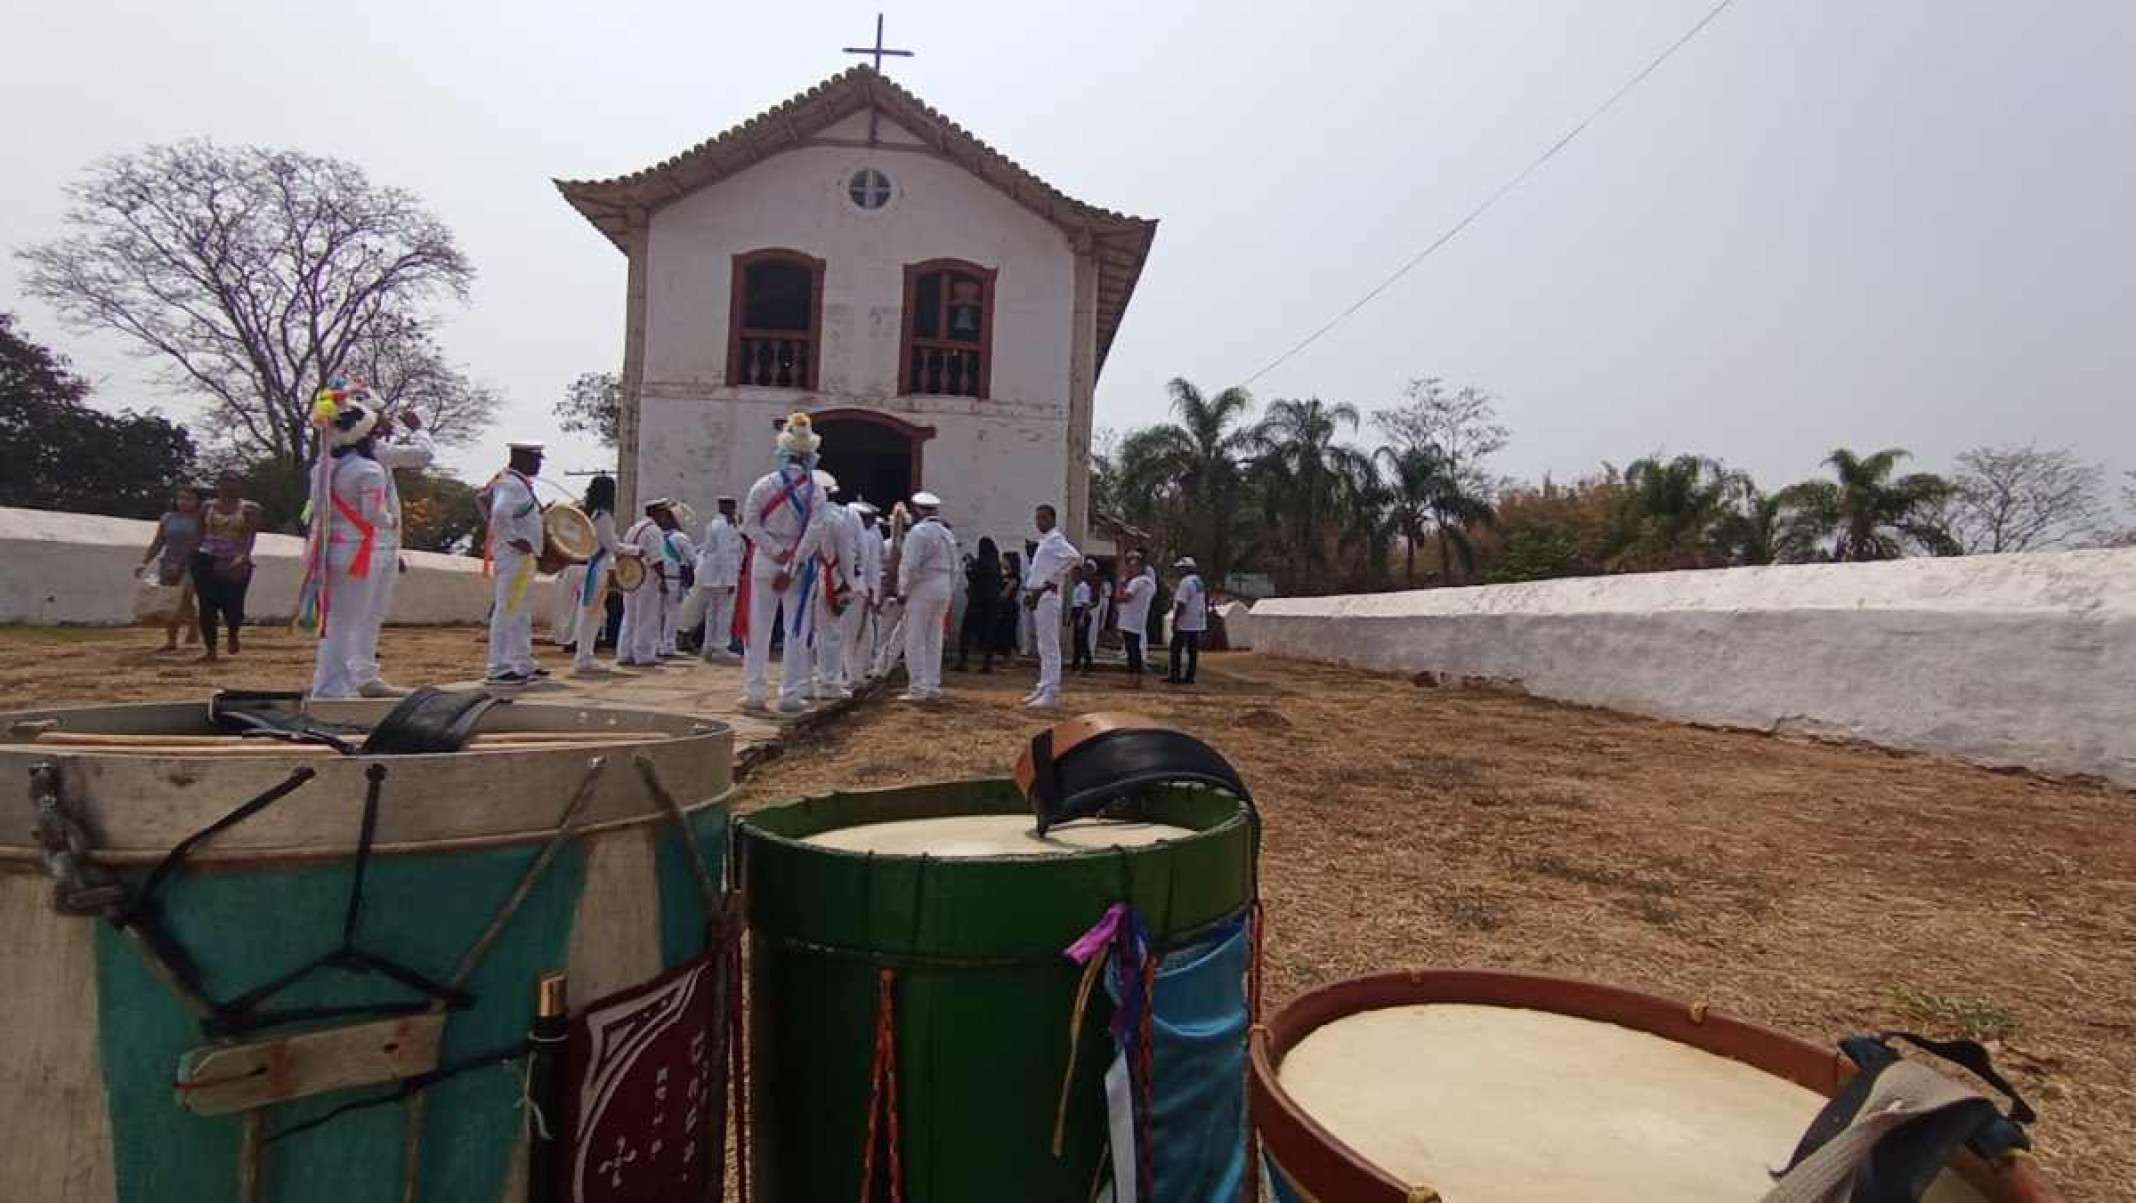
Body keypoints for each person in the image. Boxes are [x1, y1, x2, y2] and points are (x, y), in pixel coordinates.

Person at [739, 414, 829, 713]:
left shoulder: (763, 484)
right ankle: (789, 693)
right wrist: (792, 563)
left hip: (766, 558)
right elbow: (815, 530)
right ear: (807, 456)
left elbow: (750, 525)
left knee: (759, 627)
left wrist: (776, 552)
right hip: (798, 563)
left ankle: (754, 692)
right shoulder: (814, 490)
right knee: (795, 630)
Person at [308, 398, 396, 698]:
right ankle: (335, 686)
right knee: (350, 621)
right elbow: (374, 515)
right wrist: (391, 520)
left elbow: (317, 509)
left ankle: (330, 682)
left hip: (329, 547)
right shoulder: (369, 470)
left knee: (335, 620)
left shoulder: (321, 468)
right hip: (359, 551)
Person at [347, 408, 435, 696]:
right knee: (358, 613)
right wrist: (419, 427)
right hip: (363, 545)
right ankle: (350, 676)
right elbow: (423, 455)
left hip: (381, 545)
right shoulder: (370, 455)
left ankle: (363, 673)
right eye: (379, 418)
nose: (387, 423)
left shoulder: (375, 454)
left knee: (373, 613)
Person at [484, 442, 547, 685]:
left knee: (520, 611)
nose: (539, 465)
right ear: (522, 460)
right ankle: (498, 665)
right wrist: (512, 539)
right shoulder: (511, 484)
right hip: (514, 556)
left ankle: (522, 661)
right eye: (536, 460)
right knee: (508, 608)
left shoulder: (517, 483)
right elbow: (500, 513)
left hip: (521, 558)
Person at [192, 471, 262, 663]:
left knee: (234, 606)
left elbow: (250, 536)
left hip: (234, 560)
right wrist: (191, 556)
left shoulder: (249, 509)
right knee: (207, 606)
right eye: (224, 481)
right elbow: (199, 533)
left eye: (233, 481)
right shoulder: (207, 507)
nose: (228, 485)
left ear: (241, 485)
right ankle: (211, 648)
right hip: (206, 558)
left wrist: (243, 556)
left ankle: (233, 631)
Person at [896, 491, 956, 702]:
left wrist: (903, 590)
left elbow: (910, 566)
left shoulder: (918, 532)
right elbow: (955, 567)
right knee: (934, 638)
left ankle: (917, 688)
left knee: (915, 638)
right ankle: (932, 685)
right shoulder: (946, 533)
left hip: (923, 586)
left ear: (918, 509)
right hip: (943, 585)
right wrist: (950, 589)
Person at [1021, 504, 1081, 709]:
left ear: (1053, 519)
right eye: (1037, 518)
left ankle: (1052, 691)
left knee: (1050, 645)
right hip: (1038, 595)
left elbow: (1074, 557)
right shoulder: (1045, 541)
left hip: (1047, 595)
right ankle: (1044, 685)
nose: (1040, 522)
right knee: (1042, 644)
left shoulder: (1056, 540)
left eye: (1044, 518)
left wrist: (1051, 581)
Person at [809, 470, 860, 700]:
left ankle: (805, 681)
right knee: (830, 632)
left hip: (807, 577)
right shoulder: (836, 518)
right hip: (830, 577)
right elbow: (846, 555)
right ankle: (829, 682)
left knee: (803, 633)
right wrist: (850, 583)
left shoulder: (804, 516)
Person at [569, 474, 625, 676]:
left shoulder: (592, 513)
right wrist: (634, 550)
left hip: (593, 564)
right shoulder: (603, 516)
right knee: (592, 614)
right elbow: (612, 544)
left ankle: (585, 654)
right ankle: (584, 657)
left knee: (592, 613)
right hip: (598, 565)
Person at [139, 485, 202, 651]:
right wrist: (144, 562)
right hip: (169, 562)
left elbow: (198, 543)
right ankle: (171, 639)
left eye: (188, 499)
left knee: (185, 596)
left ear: (197, 501)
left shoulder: (200, 519)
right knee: (170, 600)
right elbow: (158, 542)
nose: (183, 502)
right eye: (180, 498)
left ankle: (193, 626)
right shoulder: (167, 518)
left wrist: (182, 563)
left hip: (192, 563)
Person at [684, 496, 745, 664]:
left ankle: (709, 645)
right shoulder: (723, 526)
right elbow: (724, 555)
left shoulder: (719, 524)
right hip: (722, 577)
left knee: (712, 612)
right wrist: (730, 580)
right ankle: (720, 647)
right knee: (724, 612)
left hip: (712, 576)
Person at [618, 499, 678, 667]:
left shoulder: (634, 528)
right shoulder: (653, 531)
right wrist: (663, 580)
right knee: (647, 617)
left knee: (630, 616)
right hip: (647, 578)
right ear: (657, 513)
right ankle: (644, 654)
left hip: (631, 577)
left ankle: (625, 652)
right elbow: (657, 559)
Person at [842, 500, 882, 680]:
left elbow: (871, 566)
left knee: (850, 634)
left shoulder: (864, 538)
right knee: (864, 632)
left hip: (855, 589)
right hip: (864, 589)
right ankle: (859, 670)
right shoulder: (872, 537)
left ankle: (852, 674)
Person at [955, 537, 1002, 672]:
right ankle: (987, 663)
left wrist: (969, 565)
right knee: (989, 633)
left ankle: (963, 661)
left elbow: (973, 576)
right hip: (992, 603)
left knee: (966, 632)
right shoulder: (995, 564)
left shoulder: (980, 564)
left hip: (976, 602)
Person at [1114, 550, 1157, 690]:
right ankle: (1136, 679)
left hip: (1129, 620)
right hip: (1138, 620)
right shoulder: (1149, 583)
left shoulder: (1136, 582)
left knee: (1132, 651)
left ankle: (1133, 679)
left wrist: (1120, 585)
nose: (1129, 569)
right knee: (1135, 650)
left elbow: (1124, 598)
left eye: (1132, 566)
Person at [656, 511, 694, 658]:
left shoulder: (656, 535)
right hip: (674, 579)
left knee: (657, 615)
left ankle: (657, 644)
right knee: (672, 615)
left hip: (658, 579)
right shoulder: (680, 538)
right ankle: (669, 645)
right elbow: (693, 559)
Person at [1167, 556, 1209, 685]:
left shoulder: (1185, 583)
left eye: (1180, 569)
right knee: (1192, 651)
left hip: (1185, 622)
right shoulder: (1199, 581)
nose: (1178, 572)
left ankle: (1175, 675)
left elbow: (1181, 603)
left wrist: (1175, 621)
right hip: (1197, 622)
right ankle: (1190, 676)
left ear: (1186, 569)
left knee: (1176, 649)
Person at [1070, 560, 1098, 672]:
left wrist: (1081, 618)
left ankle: (1088, 663)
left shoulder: (1083, 587)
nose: (1072, 577)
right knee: (1077, 640)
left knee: (1083, 640)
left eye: (1074, 575)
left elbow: (1085, 604)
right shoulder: (1076, 587)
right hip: (1076, 612)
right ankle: (1076, 664)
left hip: (1082, 613)